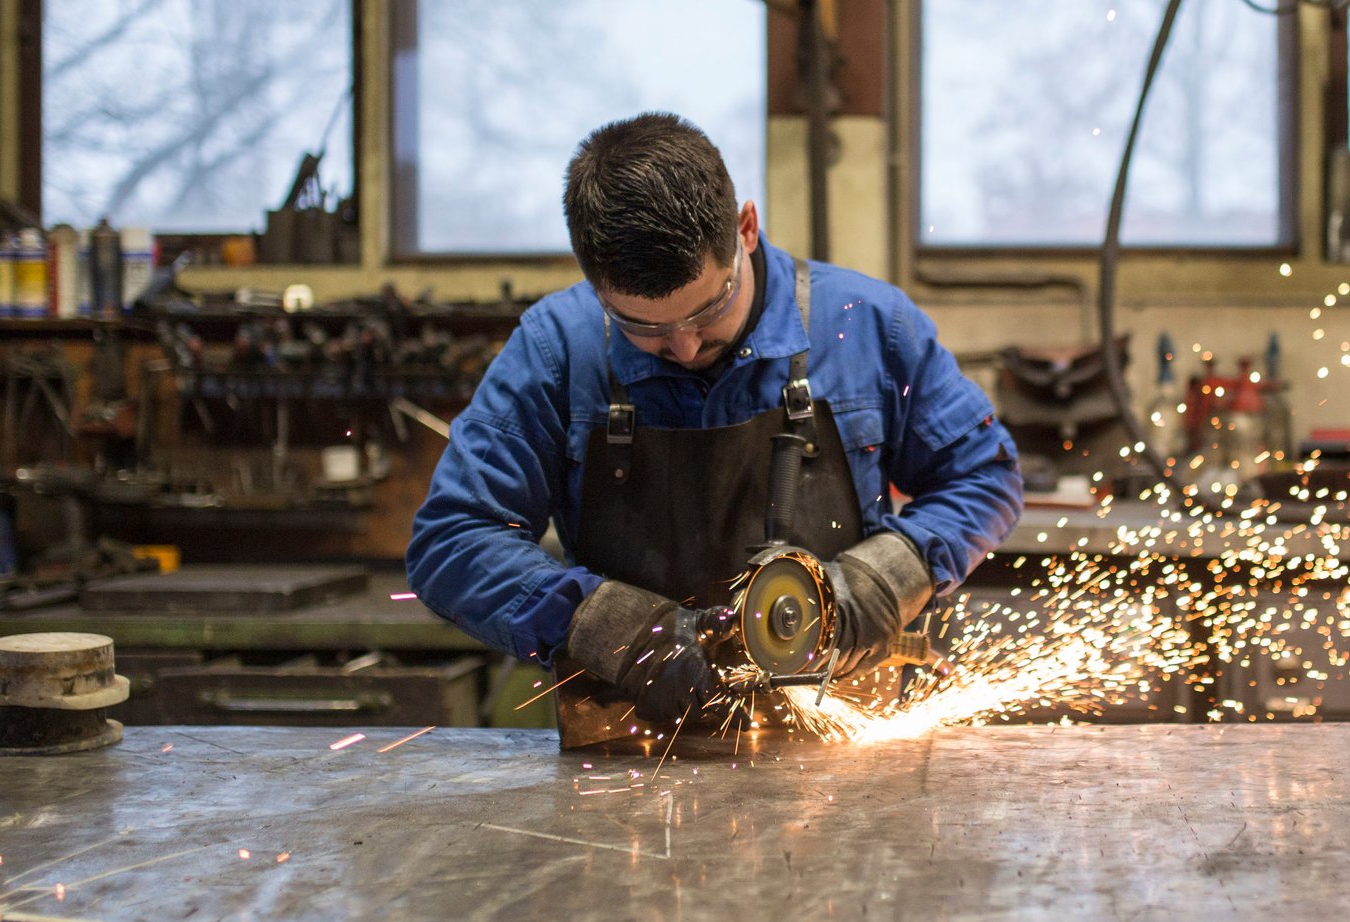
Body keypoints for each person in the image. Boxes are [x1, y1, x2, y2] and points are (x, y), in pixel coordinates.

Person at [406, 113, 1023, 747]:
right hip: (634, 752)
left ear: (746, 229)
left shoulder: (868, 326)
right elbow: (451, 541)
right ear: (596, 286)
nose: (683, 344)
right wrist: (610, 625)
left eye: (708, 308)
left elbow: (983, 475)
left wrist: (881, 582)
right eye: (642, 327)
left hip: (843, 743)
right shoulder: (558, 348)